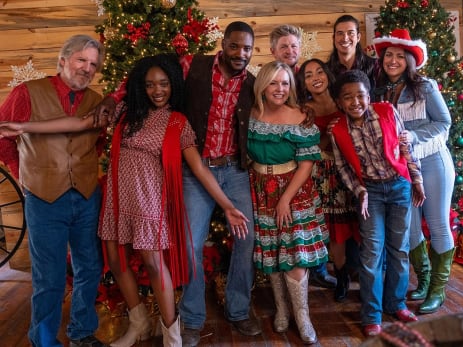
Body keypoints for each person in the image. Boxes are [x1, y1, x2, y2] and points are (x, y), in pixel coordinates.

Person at [0, 53, 252, 347]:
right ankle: (139, 324)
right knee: (117, 262)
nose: (157, 91)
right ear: (139, 87)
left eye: (164, 84)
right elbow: (79, 124)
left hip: (149, 204)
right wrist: (24, 127)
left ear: (173, 86)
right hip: (116, 201)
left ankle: (172, 336)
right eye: (149, 85)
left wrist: (228, 206)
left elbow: (198, 167)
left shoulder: (177, 122)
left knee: (156, 266)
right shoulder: (124, 112)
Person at [90, 21, 261, 347]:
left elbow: (282, 98)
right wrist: (113, 98)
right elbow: (146, 79)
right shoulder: (191, 65)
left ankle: (239, 309)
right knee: (189, 244)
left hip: (235, 169)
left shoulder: (254, 83)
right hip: (195, 169)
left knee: (247, 238)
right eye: (235, 46)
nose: (241, 53)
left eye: (248, 48)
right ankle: (192, 318)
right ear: (223, 44)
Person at [0, 35, 108, 347]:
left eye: (93, 64)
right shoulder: (27, 93)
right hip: (44, 199)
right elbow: (4, 134)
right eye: (81, 60)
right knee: (50, 275)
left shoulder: (96, 100)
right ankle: (43, 340)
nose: (87, 68)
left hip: (87, 196)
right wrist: (21, 174)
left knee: (90, 267)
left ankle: (82, 332)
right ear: (63, 60)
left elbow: (96, 143)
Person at [330, 70, 426, 337]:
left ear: (368, 96)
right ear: (339, 102)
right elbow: (343, 168)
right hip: (370, 192)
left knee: (400, 248)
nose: (355, 102)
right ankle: (371, 314)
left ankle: (395, 303)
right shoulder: (338, 129)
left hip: (399, 186)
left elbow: (405, 147)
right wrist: (359, 191)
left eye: (360, 95)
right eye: (347, 97)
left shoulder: (386, 111)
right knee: (371, 253)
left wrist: (416, 180)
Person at [373, 28, 456, 314]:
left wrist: (413, 138)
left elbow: (444, 123)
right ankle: (423, 279)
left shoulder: (425, 87)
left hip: (433, 162)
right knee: (409, 229)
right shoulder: (380, 90)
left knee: (437, 224)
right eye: (388, 56)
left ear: (410, 59)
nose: (392, 60)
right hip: (402, 169)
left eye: (399, 56)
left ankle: (438, 290)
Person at [248, 61, 328, 344]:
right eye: (273, 83)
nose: (279, 89)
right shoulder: (251, 114)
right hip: (260, 188)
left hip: (292, 190)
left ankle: (302, 316)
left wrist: (285, 199)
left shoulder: (299, 117)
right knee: (272, 250)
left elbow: (306, 163)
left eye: (285, 83)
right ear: (262, 86)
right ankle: (282, 309)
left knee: (296, 252)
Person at [270, 24, 337, 290]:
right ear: (273, 50)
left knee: (311, 215)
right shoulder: (270, 77)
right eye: (284, 46)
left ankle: (317, 268)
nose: (290, 50)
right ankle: (285, 273)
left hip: (310, 155)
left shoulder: (306, 77)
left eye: (294, 45)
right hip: (281, 156)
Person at [296, 58, 360, 302]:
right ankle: (340, 276)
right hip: (323, 173)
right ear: (304, 83)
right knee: (334, 230)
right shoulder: (305, 109)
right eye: (309, 75)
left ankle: (361, 275)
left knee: (355, 225)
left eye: (319, 71)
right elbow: (308, 147)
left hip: (352, 168)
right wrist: (328, 135)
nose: (316, 77)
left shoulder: (343, 99)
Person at [326, 15, 379, 94]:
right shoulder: (326, 70)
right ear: (333, 38)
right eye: (340, 33)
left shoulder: (374, 66)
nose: (345, 38)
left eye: (350, 33)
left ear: (358, 37)